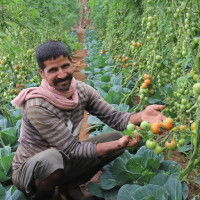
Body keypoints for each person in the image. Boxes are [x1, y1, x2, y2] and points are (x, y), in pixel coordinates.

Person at [11, 40, 166, 200]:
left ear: (72, 63)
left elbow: (114, 117)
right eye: (53, 70)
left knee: (116, 137)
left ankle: (70, 184)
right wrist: (115, 146)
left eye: (65, 66)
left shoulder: (81, 91)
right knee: (52, 158)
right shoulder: (36, 105)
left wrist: (140, 116)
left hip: (64, 159)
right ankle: (43, 196)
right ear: (42, 73)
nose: (62, 74)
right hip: (29, 171)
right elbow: (72, 149)